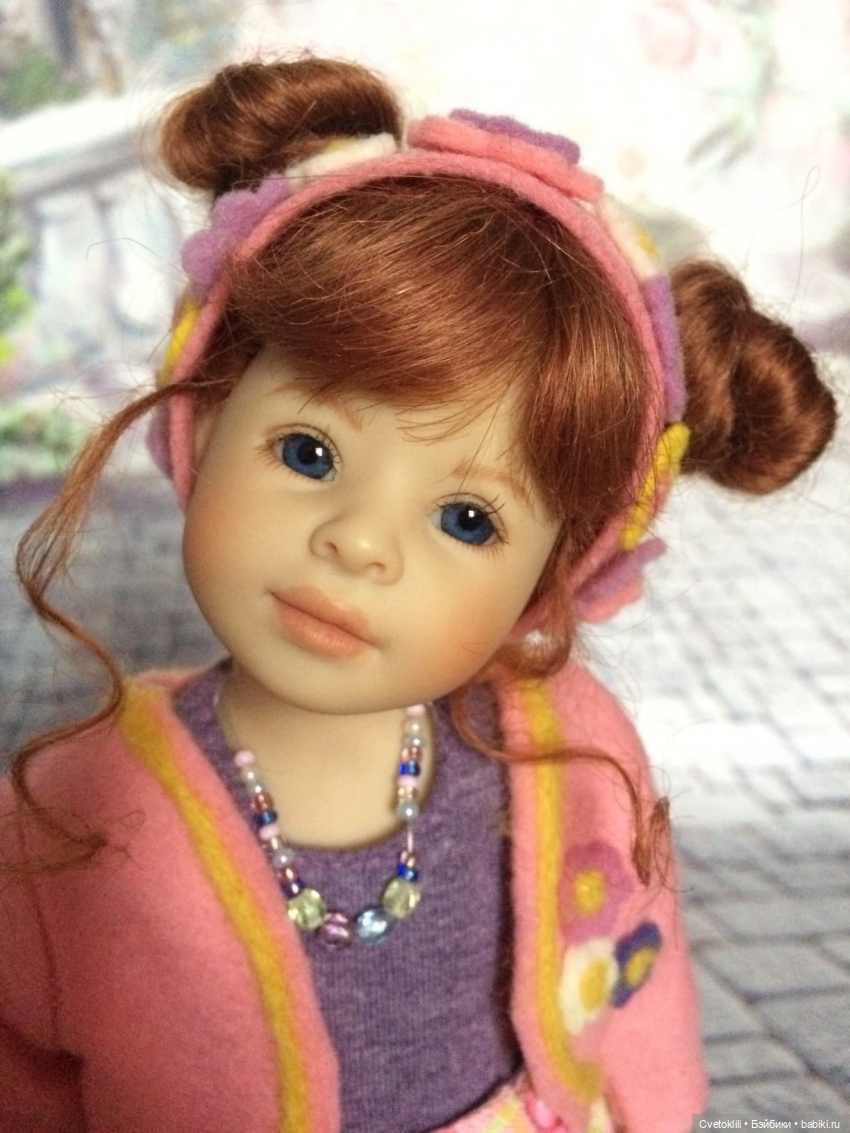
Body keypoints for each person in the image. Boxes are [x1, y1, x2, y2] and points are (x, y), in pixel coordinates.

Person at [0, 56, 837, 1133]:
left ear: (548, 577)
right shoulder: (73, 814)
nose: (358, 541)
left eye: (468, 519)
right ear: (206, 418)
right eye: (307, 451)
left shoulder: (571, 748)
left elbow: (639, 991)